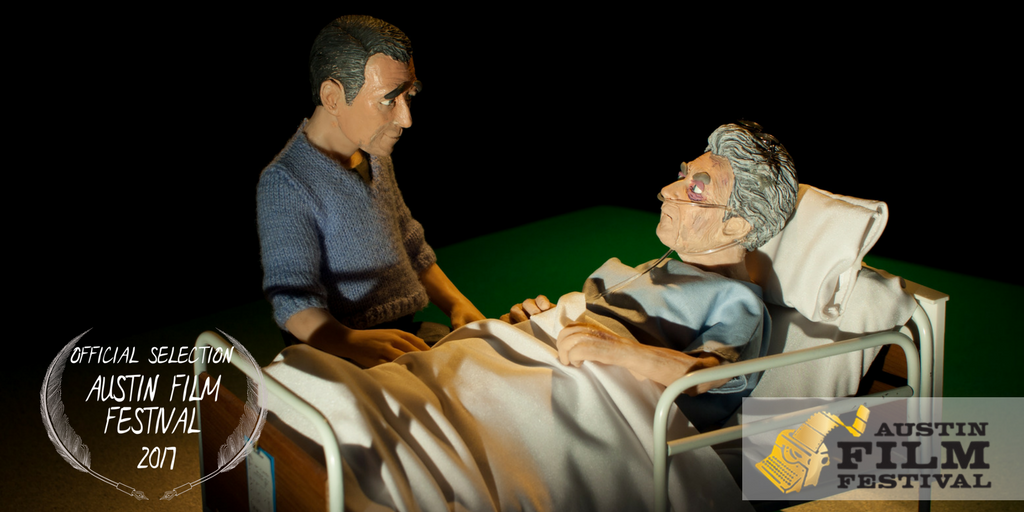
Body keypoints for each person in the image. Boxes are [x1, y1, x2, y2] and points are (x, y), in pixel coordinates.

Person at [503, 120, 798, 430]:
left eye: (696, 188)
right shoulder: (662, 269)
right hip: (558, 359)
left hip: (599, 401)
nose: (667, 191)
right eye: (682, 176)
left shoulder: (738, 301)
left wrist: (618, 350)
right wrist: (551, 319)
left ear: (736, 224)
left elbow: (708, 375)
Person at [257, 15, 484, 368]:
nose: (406, 119)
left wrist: (457, 303)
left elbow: (410, 245)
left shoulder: (374, 156)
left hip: (401, 333)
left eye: (409, 96)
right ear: (332, 97)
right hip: (336, 353)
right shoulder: (287, 183)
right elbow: (293, 299)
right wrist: (348, 341)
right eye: (388, 100)